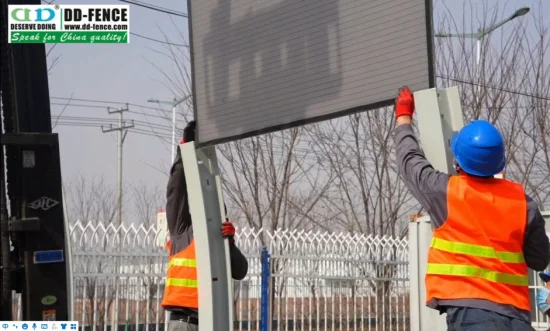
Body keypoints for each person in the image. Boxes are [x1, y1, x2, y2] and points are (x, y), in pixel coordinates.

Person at [392, 86, 549, 330]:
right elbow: (540, 259)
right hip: (516, 316)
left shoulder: (445, 192)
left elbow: (410, 161)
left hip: (471, 314)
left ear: (458, 162)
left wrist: (404, 119)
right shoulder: (523, 203)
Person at [161, 120, 249, 331]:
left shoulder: (220, 240)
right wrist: (184, 151)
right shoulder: (182, 231)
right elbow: (176, 192)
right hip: (183, 323)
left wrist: (230, 244)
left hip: (212, 321)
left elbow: (240, 271)